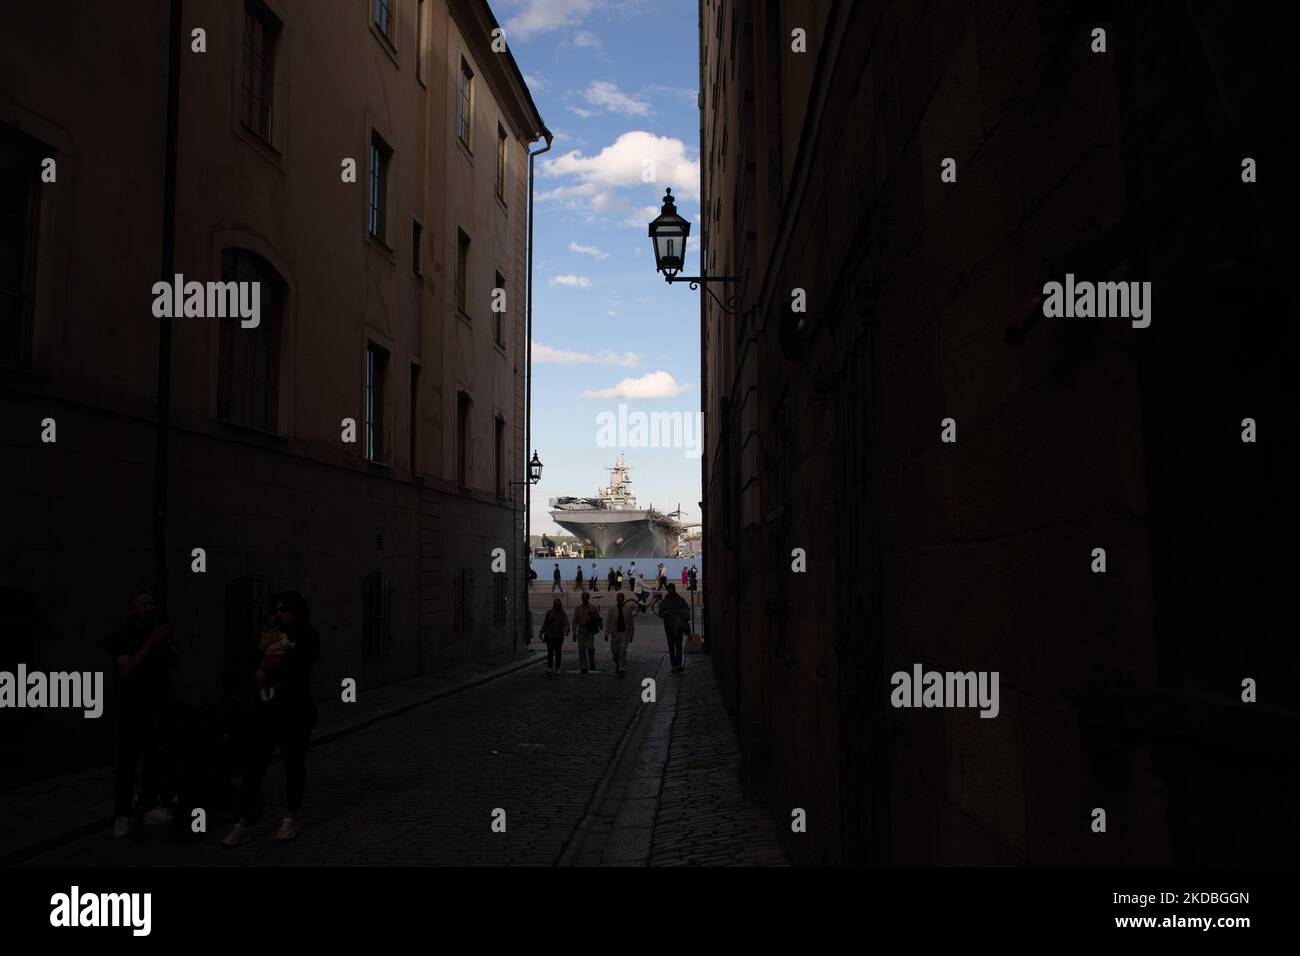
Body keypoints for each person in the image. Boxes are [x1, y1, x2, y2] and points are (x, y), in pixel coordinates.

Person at [224, 591, 321, 847]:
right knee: (254, 767)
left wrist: (265, 674)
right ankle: (242, 822)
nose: (280, 614)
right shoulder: (267, 636)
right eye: (277, 610)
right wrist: (259, 648)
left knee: (293, 764)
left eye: (285, 610)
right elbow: (245, 666)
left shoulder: (308, 636)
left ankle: (290, 818)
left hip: (295, 709)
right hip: (265, 711)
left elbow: (299, 668)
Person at [105, 588, 180, 838]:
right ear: (132, 608)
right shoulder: (121, 637)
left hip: (157, 709)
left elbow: (175, 664)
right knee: (127, 763)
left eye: (152, 604)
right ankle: (122, 815)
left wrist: (168, 642)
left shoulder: (157, 635)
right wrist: (151, 642)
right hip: (131, 710)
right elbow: (126, 670)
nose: (150, 608)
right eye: (145, 604)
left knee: (153, 760)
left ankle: (149, 806)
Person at [657, 583, 691, 674]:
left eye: (671, 590)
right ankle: (675, 665)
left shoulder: (679, 600)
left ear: (674, 590)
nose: (670, 592)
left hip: (677, 627)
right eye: (669, 590)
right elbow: (660, 613)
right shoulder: (666, 601)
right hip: (669, 627)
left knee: (677, 646)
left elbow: (687, 611)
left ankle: (677, 665)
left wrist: (680, 613)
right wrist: (665, 614)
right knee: (672, 646)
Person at [605, 591, 635, 677]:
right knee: (614, 651)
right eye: (618, 598)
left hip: (624, 633)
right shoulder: (612, 609)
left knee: (622, 651)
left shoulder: (627, 610)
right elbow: (608, 622)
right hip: (615, 633)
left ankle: (621, 667)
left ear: (623, 599)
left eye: (621, 598)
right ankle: (617, 662)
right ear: (616, 599)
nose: (619, 600)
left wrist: (631, 634)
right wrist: (607, 632)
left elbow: (630, 623)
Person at [572, 592, 600, 674]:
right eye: (583, 597)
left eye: (585, 597)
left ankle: (591, 661)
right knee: (581, 649)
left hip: (590, 630)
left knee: (590, 647)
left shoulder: (593, 608)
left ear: (588, 598)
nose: (584, 599)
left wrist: (597, 624)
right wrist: (574, 632)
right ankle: (583, 666)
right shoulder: (578, 609)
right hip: (581, 629)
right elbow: (575, 621)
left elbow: (597, 619)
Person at [540, 598, 569, 675]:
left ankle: (557, 667)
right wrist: (541, 631)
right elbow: (545, 623)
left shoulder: (563, 614)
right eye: (555, 605)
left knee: (558, 652)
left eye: (557, 605)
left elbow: (566, 623)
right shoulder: (549, 613)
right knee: (550, 651)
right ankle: (549, 667)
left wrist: (566, 630)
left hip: (559, 636)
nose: (556, 606)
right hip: (549, 635)